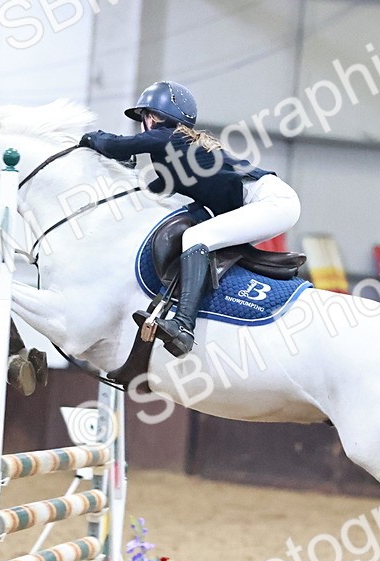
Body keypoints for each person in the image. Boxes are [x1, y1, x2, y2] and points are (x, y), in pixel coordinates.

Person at [79, 81, 301, 357]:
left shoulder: (169, 138)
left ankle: (184, 326)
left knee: (197, 237)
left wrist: (88, 138)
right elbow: (152, 191)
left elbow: (116, 145)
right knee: (202, 236)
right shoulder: (177, 153)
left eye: (143, 117)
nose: (142, 124)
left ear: (152, 117)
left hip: (272, 201)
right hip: (270, 201)